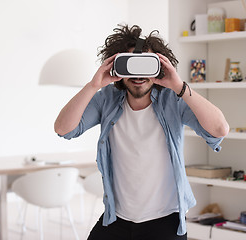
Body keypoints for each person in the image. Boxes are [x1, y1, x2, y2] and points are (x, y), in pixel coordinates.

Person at [54, 24, 229, 240]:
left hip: (165, 221)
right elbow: (63, 128)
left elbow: (220, 129)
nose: (138, 75)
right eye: (130, 65)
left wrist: (179, 86)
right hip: (116, 218)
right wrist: (93, 86)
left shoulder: (172, 100)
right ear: (117, 68)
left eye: (145, 66)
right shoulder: (106, 99)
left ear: (160, 67)